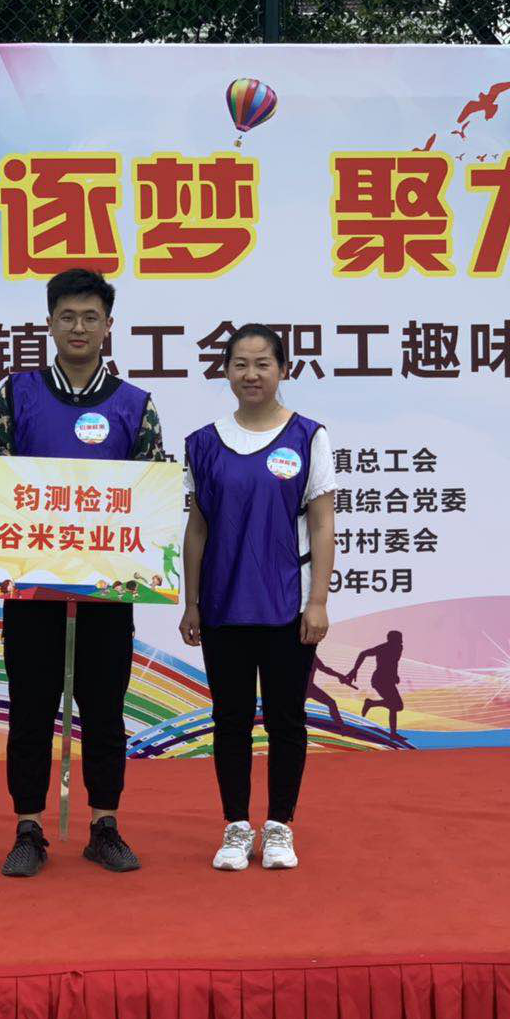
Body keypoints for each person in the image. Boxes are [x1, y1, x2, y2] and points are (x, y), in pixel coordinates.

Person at [0, 268, 168, 877]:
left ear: (109, 325)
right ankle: (28, 827)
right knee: (30, 707)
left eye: (91, 317)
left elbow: (153, 497)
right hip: (31, 580)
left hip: (108, 587)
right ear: (50, 324)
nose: (79, 327)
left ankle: (105, 825)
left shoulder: (135, 405)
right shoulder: (17, 395)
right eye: (68, 317)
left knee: (105, 708)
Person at [180, 324, 336, 872]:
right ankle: (235, 825)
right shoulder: (203, 443)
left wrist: (318, 601)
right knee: (230, 718)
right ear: (225, 371)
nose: (252, 375)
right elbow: (197, 528)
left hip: (286, 605)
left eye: (263, 364)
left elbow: (323, 525)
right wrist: (192, 602)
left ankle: (279, 827)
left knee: (287, 719)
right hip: (223, 605)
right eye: (241, 364)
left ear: (283, 369)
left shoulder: (308, 436)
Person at [345, 630, 406, 738]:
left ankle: (371, 703)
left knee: (397, 705)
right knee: (395, 705)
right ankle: (392, 733)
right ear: (391, 640)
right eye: (399, 639)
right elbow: (363, 653)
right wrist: (355, 669)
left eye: (401, 639)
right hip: (380, 679)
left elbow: (393, 663)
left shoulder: (399, 648)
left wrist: (395, 675)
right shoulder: (383, 648)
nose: (401, 641)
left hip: (388, 680)